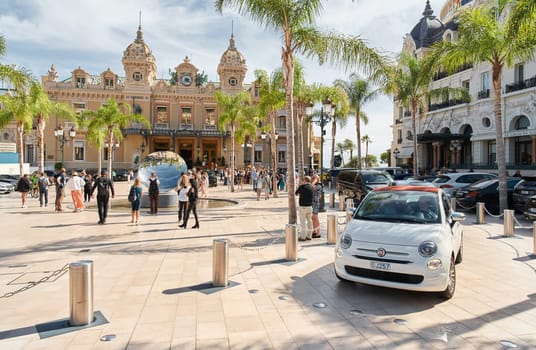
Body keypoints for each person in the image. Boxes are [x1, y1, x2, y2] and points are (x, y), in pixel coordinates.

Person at [295, 176, 314, 241]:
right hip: (310, 206)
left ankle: (303, 236)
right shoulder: (312, 187)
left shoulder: (302, 187)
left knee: (302, 222)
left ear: (304, 180)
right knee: (310, 221)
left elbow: (296, 193)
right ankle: (309, 235)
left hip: (303, 206)